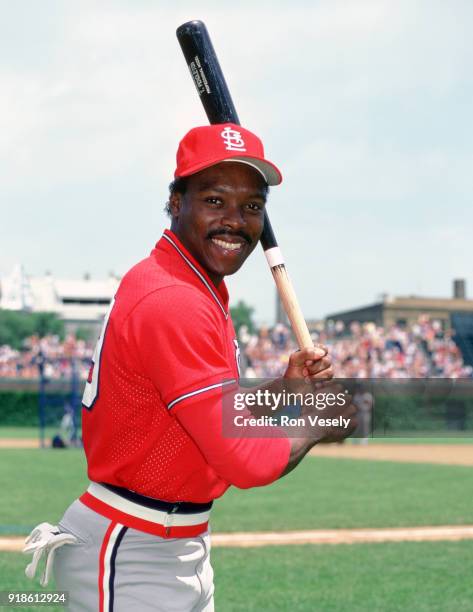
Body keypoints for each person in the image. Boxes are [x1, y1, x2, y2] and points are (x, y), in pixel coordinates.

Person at [23, 123, 356, 611]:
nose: (235, 220)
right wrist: (317, 422)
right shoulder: (174, 299)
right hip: (133, 551)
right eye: (215, 201)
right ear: (176, 201)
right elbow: (245, 461)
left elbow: (202, 419)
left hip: (167, 541)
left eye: (252, 206)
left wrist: (285, 390)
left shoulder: (189, 285)